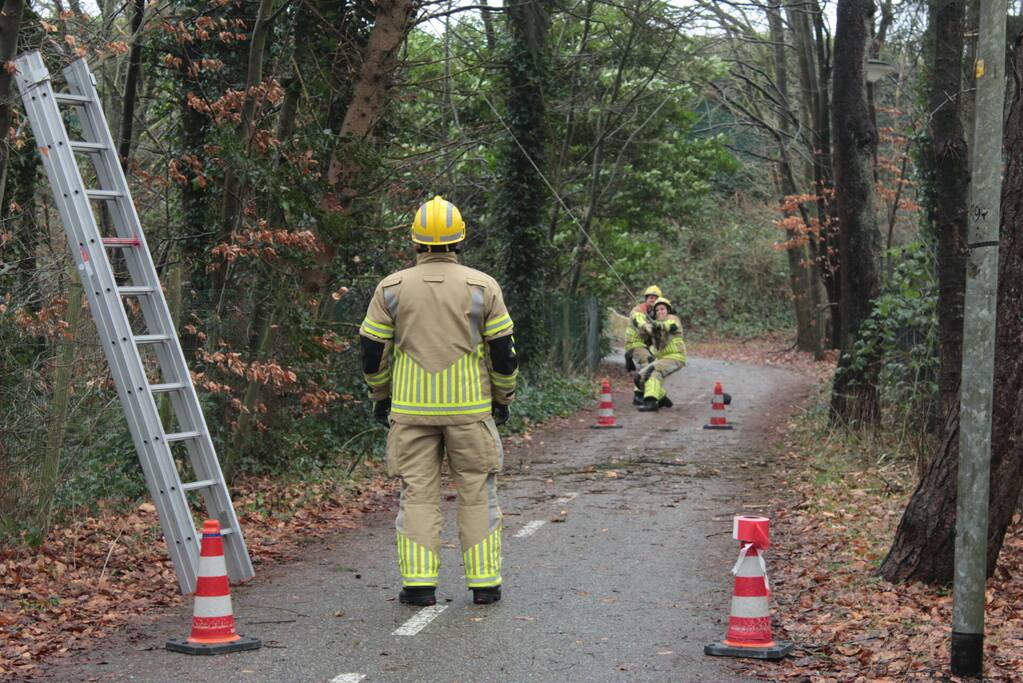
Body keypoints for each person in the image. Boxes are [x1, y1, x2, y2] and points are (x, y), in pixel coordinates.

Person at [359, 196, 517, 607]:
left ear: (414, 240)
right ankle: (485, 584)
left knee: (417, 495)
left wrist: (380, 395)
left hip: (411, 412)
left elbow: (371, 351)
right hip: (470, 410)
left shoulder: (391, 289)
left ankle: (418, 586)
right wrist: (503, 396)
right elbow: (503, 353)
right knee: (477, 493)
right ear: (460, 239)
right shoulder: (483, 287)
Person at [634, 297, 686, 412]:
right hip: (663, 359)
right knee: (639, 378)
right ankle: (662, 398)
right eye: (657, 310)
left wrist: (659, 325)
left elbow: (670, 325)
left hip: (676, 356)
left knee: (652, 372)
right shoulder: (655, 325)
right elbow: (646, 333)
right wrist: (641, 325)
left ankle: (651, 402)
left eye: (662, 309)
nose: (659, 312)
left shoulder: (672, 318)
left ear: (668, 310)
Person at [625, 285, 661, 405]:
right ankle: (639, 395)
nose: (653, 300)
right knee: (648, 364)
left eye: (656, 298)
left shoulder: (657, 313)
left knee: (657, 364)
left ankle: (648, 392)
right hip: (635, 342)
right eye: (651, 297)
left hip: (647, 344)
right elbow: (640, 322)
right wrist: (649, 327)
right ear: (646, 298)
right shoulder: (638, 310)